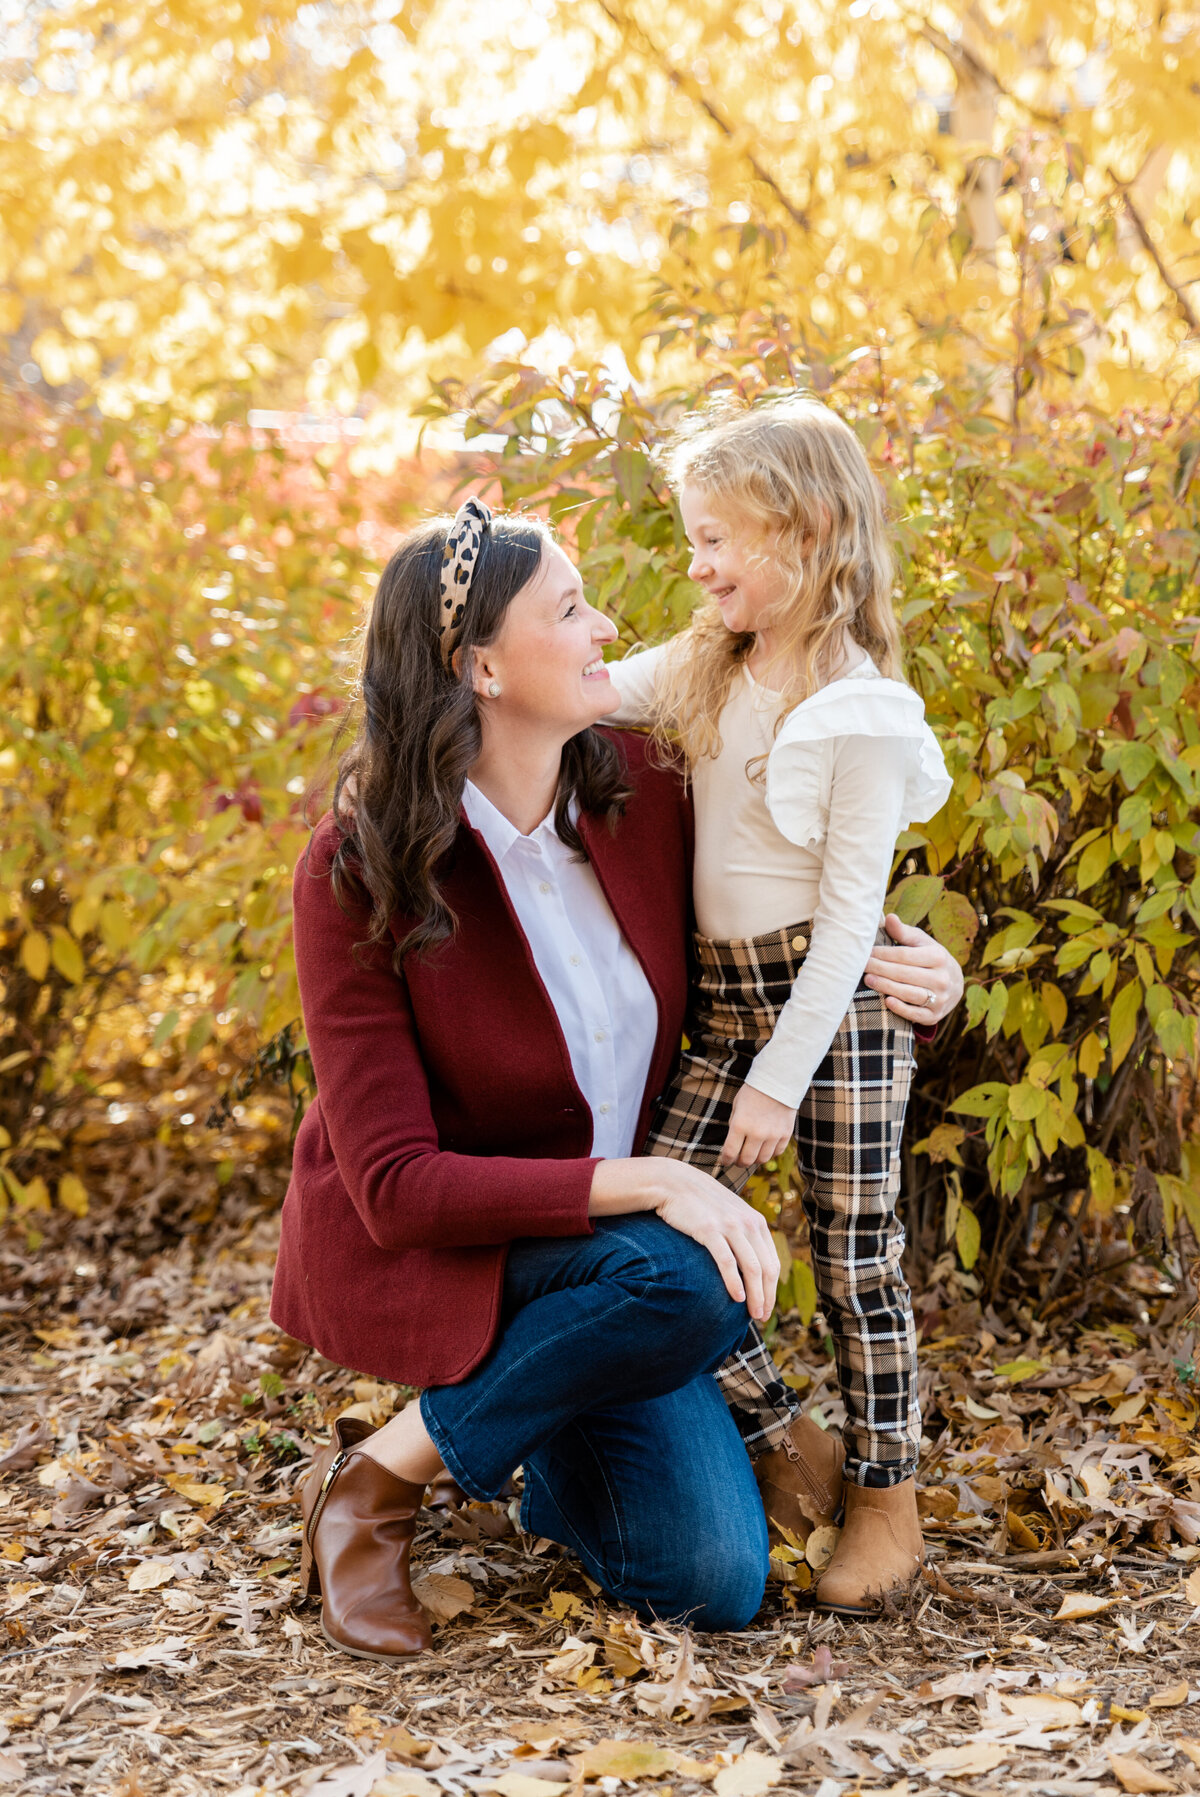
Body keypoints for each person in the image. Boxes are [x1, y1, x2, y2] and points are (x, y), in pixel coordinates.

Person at [270, 496, 963, 1663]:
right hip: (475, 1247)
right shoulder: (362, 868)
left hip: (619, 1271)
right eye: (572, 609)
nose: (608, 629)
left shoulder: (646, 789)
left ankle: (523, 1415)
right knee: (691, 1281)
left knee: (709, 1585)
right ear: (479, 665)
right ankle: (375, 1485)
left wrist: (914, 968)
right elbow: (395, 1186)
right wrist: (654, 1183)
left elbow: (783, 922)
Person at [606, 394, 953, 1615]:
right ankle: (784, 1431)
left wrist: (779, 1075)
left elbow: (855, 916)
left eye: (716, 541)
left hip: (833, 1010)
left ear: (804, 531)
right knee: (660, 1230)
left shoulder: (857, 709)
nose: (696, 568)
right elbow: (593, 688)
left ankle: (887, 1498)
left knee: (858, 1256)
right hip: (727, 1007)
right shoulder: (715, 662)